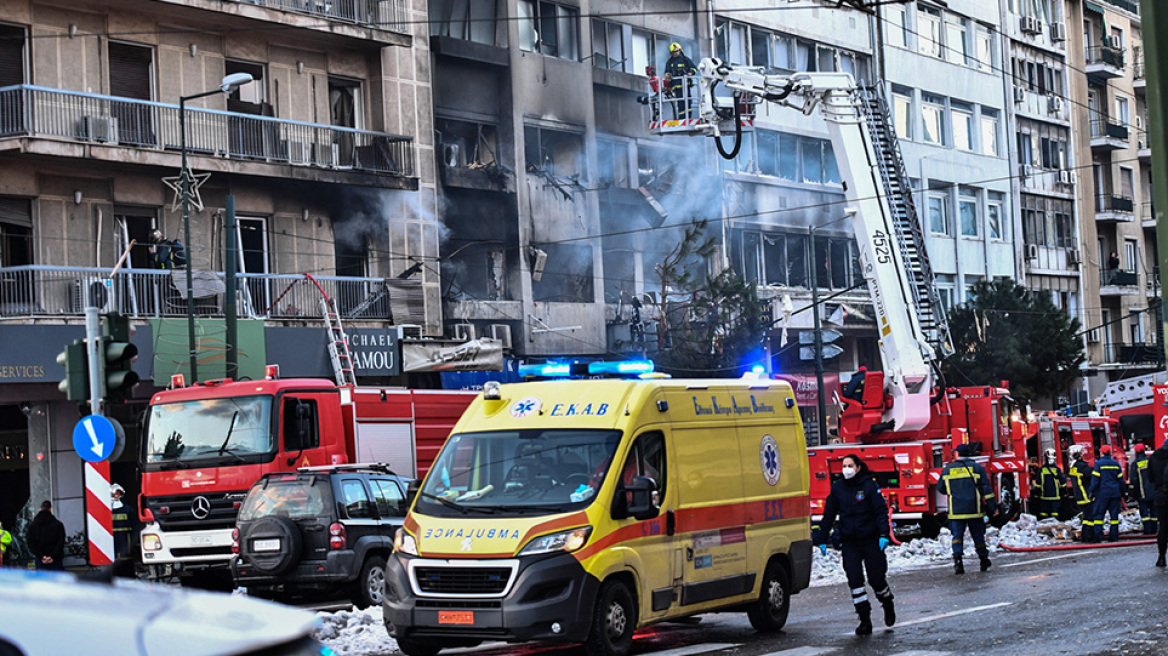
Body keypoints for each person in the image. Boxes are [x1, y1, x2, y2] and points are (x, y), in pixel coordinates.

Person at [814, 454, 895, 635]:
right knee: (855, 580)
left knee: (876, 579)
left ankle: (887, 602)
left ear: (858, 467)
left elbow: (880, 512)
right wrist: (821, 538)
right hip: (850, 542)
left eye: (850, 465)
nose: (846, 469)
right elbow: (829, 514)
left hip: (871, 540)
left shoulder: (868, 486)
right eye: (844, 465)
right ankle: (864, 619)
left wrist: (883, 534)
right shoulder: (838, 489)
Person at [941, 443, 997, 574]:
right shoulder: (977, 468)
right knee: (978, 536)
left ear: (957, 454)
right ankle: (983, 559)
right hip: (975, 509)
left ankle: (958, 561)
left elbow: (941, 488)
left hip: (956, 511)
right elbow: (987, 490)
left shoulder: (948, 469)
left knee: (957, 536)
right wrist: (993, 507)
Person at [1089, 444, 1126, 543]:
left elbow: (1095, 480)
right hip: (1115, 493)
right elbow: (1121, 481)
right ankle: (1114, 536)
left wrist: (1091, 491)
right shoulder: (1115, 464)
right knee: (1114, 516)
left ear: (1101, 453)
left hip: (1102, 494)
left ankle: (1098, 536)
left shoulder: (1099, 464)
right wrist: (1123, 493)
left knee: (1098, 515)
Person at [1127, 443, 1158, 535]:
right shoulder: (1151, 461)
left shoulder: (1135, 464)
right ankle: (1154, 529)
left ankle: (1147, 530)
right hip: (1153, 492)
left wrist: (1132, 493)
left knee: (1144, 513)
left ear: (1136, 452)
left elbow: (1134, 480)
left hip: (1142, 492)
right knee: (1154, 511)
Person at [27, 500, 66, 571]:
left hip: (41, 560)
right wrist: (52, 556)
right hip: (56, 559)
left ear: (40, 509)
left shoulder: (33, 526)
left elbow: (30, 543)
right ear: (50, 509)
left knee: (42, 580)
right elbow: (60, 542)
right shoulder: (58, 525)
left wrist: (41, 556)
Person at [664, 42, 698, 119]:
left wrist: (690, 73)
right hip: (677, 86)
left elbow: (694, 68)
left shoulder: (686, 60)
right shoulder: (670, 62)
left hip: (686, 85)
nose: (675, 53)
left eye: (677, 51)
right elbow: (667, 72)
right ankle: (682, 117)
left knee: (688, 102)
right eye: (673, 52)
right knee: (680, 103)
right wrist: (668, 76)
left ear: (680, 50)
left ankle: (688, 117)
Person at [1148, 440, 1168, 567]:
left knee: (1163, 527)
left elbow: (1149, 478)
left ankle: (1161, 557)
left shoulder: (1154, 457)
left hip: (1161, 495)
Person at [1033, 448, 1066, 520]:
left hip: (1044, 495)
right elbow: (1062, 480)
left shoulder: (1041, 469)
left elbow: (1038, 482)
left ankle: (1043, 526)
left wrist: (1037, 492)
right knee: (1055, 512)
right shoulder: (1057, 469)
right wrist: (1064, 490)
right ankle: (1054, 524)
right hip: (1055, 495)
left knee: (1043, 513)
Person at [111, 484, 136, 575]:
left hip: (123, 548)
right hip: (122, 548)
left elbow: (135, 529)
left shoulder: (128, 510)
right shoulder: (129, 510)